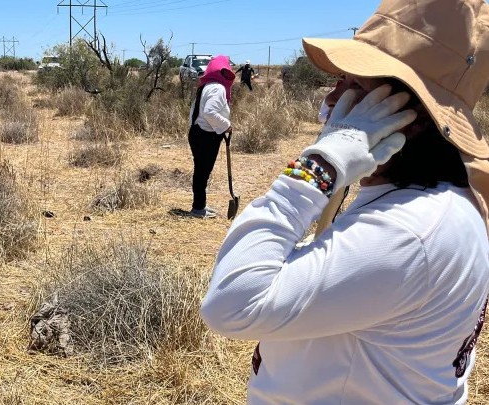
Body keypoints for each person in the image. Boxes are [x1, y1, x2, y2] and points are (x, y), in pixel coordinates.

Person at [200, 0, 489, 403]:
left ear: (410, 115)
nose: (333, 94)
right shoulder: (437, 200)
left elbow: (231, 303)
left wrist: (316, 167)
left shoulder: (407, 230)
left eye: (354, 85)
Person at [187, 55, 235, 219]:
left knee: (201, 171)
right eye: (226, 70)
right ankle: (198, 208)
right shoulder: (217, 88)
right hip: (206, 135)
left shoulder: (207, 85)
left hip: (199, 133)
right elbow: (209, 112)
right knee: (202, 172)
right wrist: (226, 125)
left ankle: (200, 205)